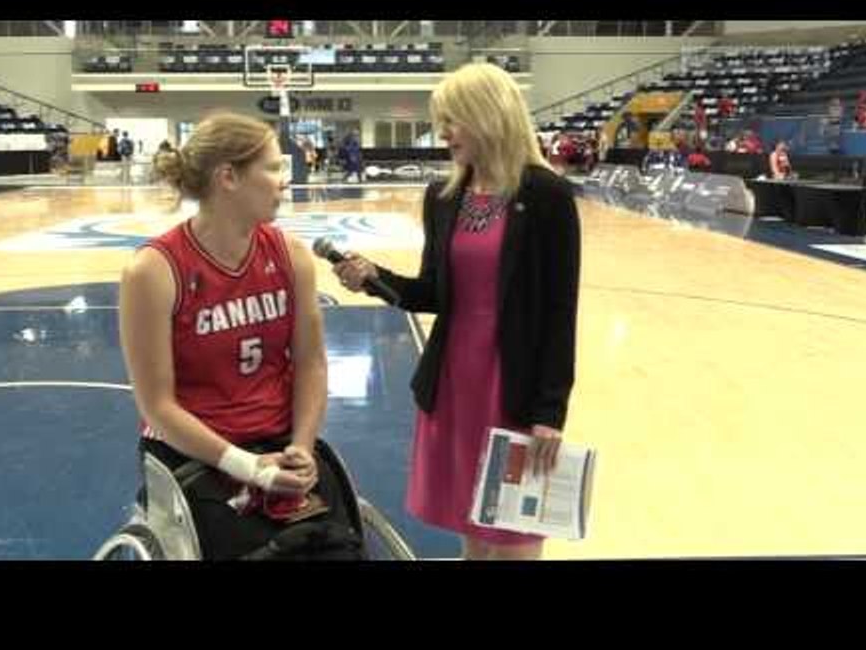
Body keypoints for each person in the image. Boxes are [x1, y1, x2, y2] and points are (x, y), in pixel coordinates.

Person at [332, 63, 581, 560]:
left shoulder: (546, 195)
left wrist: (549, 412)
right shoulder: (443, 196)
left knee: (514, 536)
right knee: (471, 532)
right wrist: (374, 279)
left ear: (489, 116)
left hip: (512, 388)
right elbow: (434, 293)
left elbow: (560, 312)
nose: (442, 133)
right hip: (454, 383)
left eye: (453, 120)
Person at [118, 113, 336, 560]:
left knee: (336, 548)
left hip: (277, 441)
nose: (285, 180)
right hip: (196, 452)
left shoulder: (291, 255)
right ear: (228, 177)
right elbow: (157, 406)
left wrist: (302, 446)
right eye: (273, 168)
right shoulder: (155, 270)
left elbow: (311, 363)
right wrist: (248, 467)